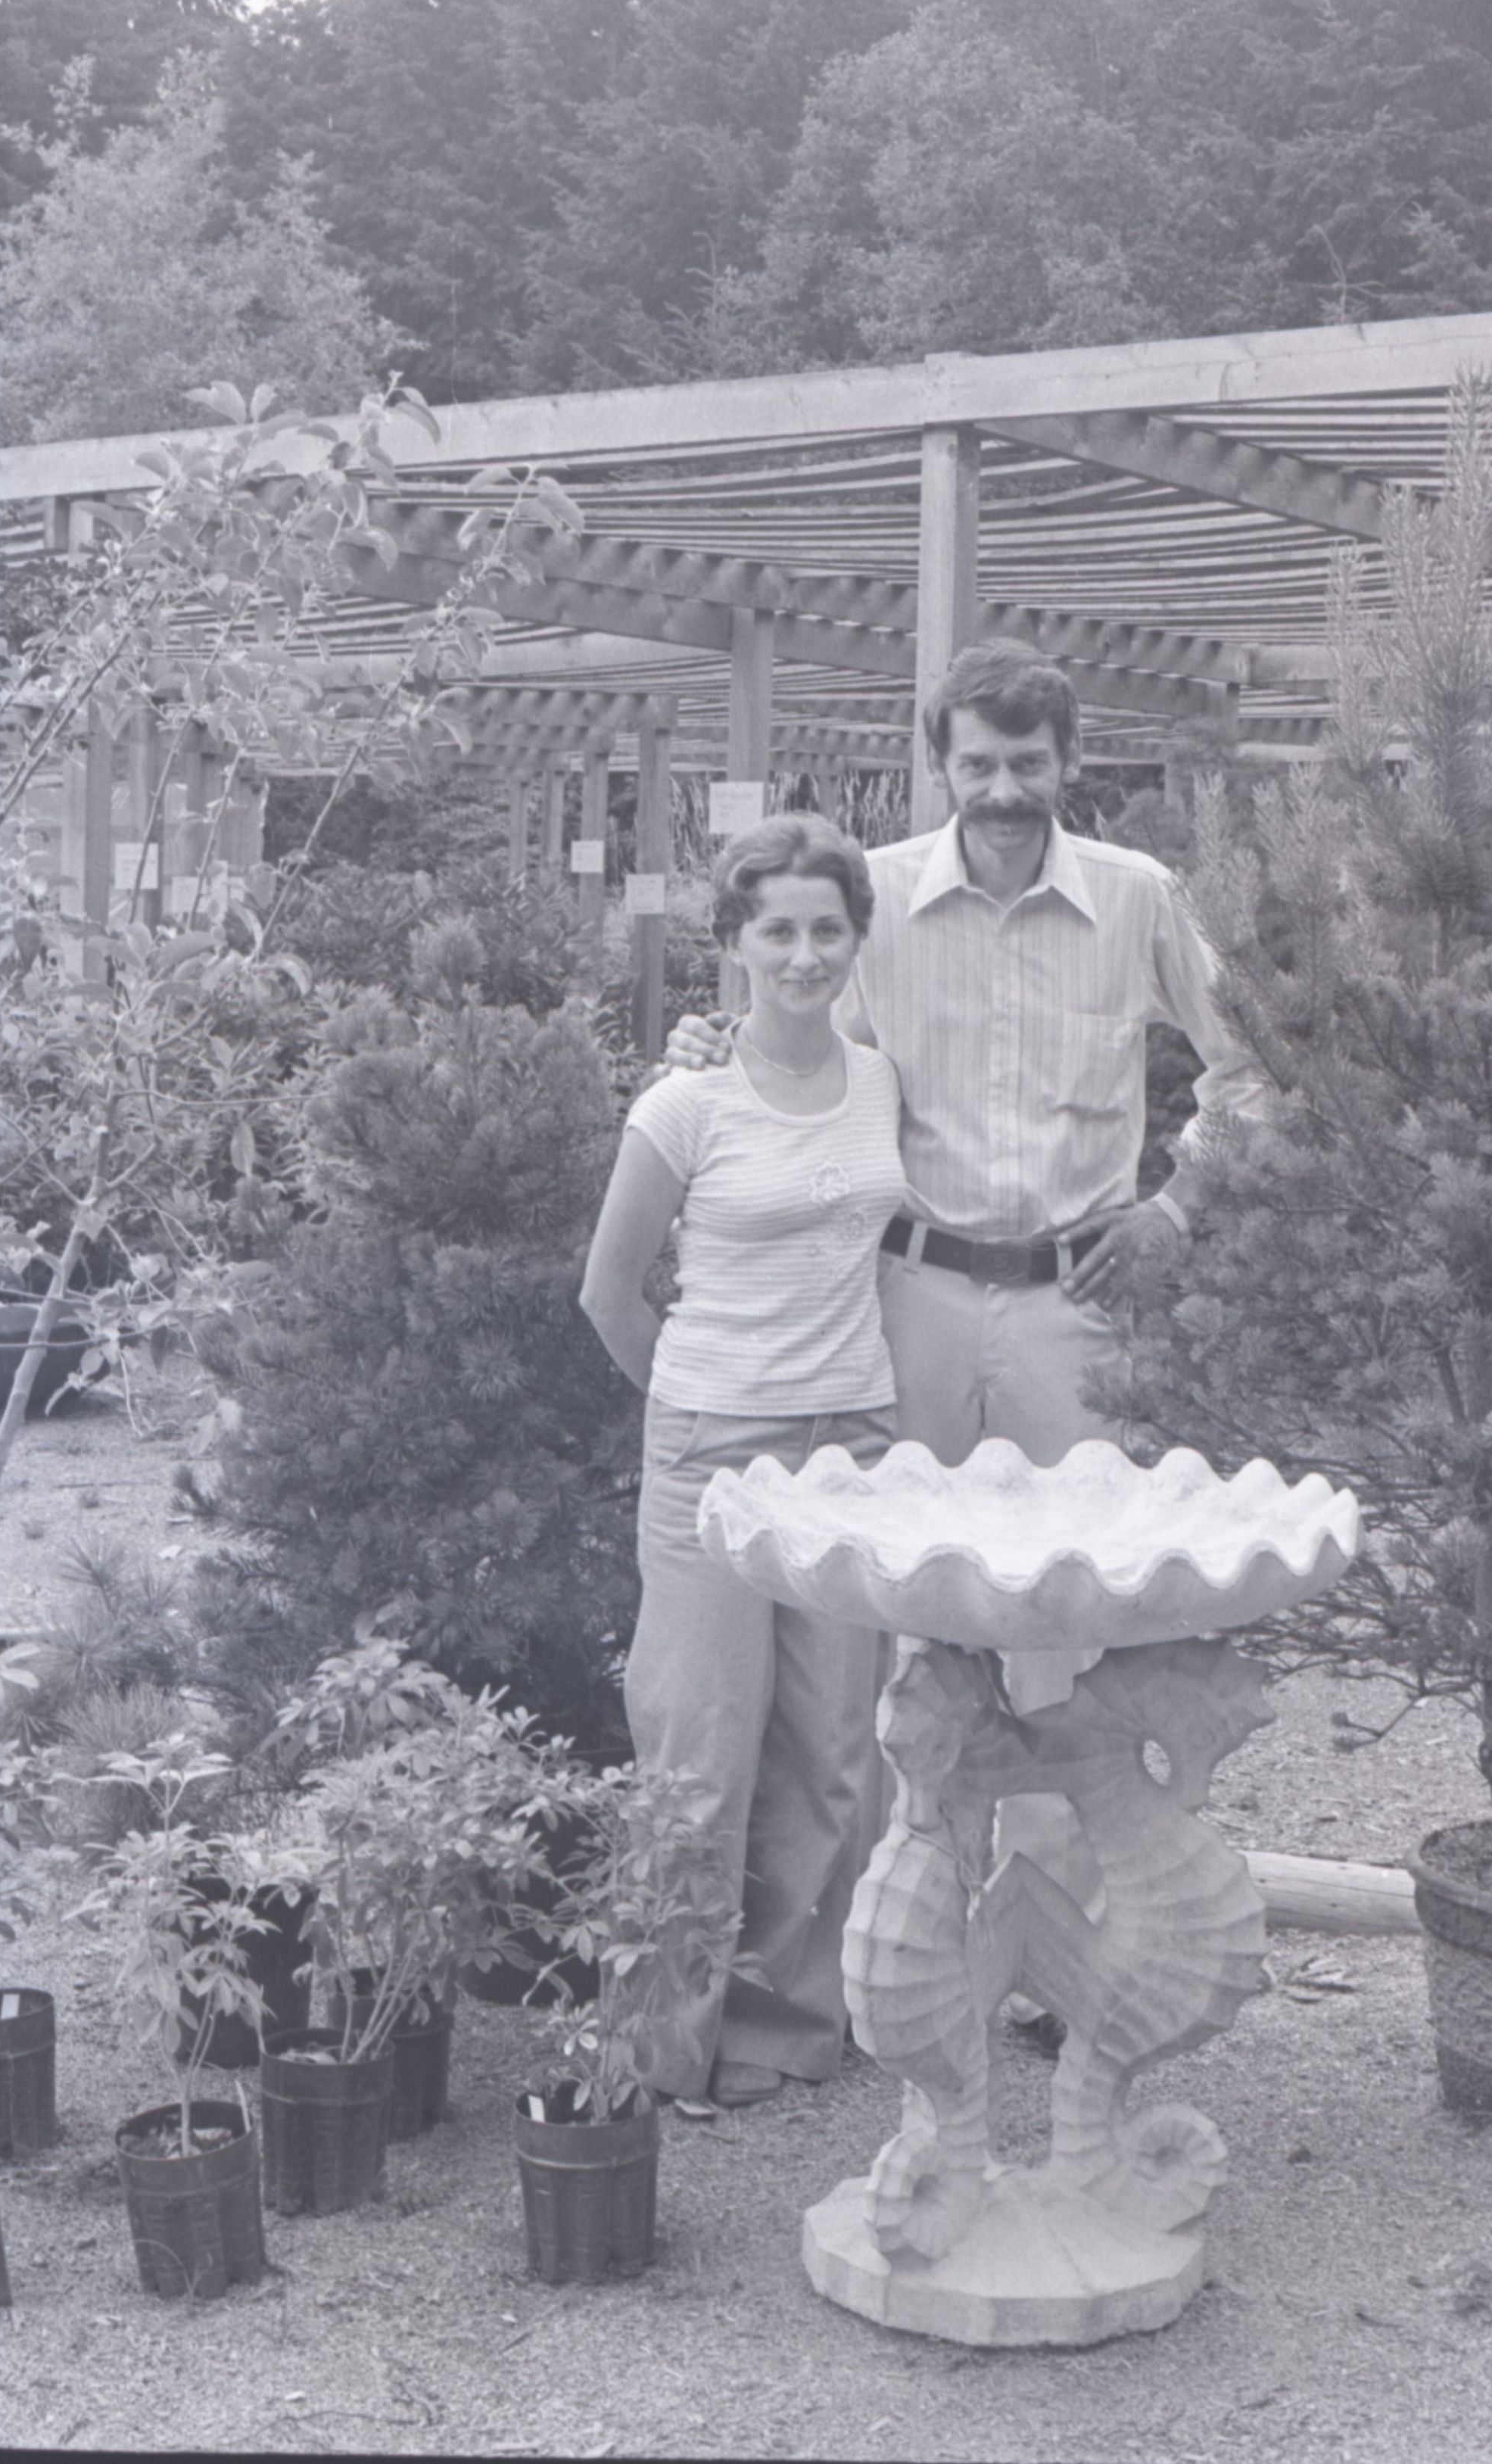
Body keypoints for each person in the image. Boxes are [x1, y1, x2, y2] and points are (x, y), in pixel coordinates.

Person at [669, 643, 1271, 2014]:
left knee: (1065, 1607)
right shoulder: (877, 898)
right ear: (940, 765)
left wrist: (1179, 1208)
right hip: (912, 1296)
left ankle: (1059, 1969)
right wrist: (703, 1054)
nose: (1004, 789)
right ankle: (901, 1954)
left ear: (1071, 762)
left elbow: (1255, 1061)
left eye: (1029, 763)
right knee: (896, 1612)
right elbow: (790, 1036)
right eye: (979, 764)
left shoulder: (1137, 897)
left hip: (1075, 1301)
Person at [579, 814, 908, 2109]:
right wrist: (696, 1408)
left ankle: (781, 2028)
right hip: (715, 1454)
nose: (805, 952)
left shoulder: (880, 1082)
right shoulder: (686, 1102)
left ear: (857, 938)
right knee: (699, 1755)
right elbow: (609, 1294)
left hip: (852, 1446)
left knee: (832, 1753)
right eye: (778, 928)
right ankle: (660, 2049)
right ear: (733, 942)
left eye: (828, 928)